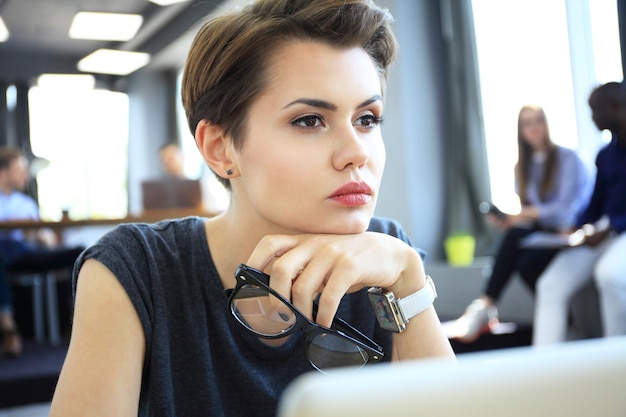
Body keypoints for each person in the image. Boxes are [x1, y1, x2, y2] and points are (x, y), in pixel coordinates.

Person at [48, 1, 455, 416]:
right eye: (310, 120)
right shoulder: (137, 269)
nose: (356, 153)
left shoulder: (387, 258)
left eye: (367, 119)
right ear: (220, 148)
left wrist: (408, 283)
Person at [451, 105, 590, 342]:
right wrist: (512, 220)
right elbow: (534, 217)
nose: (534, 127)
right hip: (546, 235)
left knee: (519, 244)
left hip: (572, 232)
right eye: (527, 123)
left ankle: (485, 304)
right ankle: (566, 324)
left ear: (547, 124)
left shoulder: (568, 158)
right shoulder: (522, 168)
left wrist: (523, 214)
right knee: (524, 258)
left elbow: (565, 210)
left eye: (538, 121)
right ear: (521, 130)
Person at [533, 81, 626, 345]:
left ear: (615, 108)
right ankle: (543, 371)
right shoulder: (606, 155)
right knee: (550, 285)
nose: (592, 117)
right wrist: (575, 229)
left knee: (610, 274)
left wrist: (608, 228)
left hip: (619, 231)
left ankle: (614, 363)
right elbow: (595, 205)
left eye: (595, 110)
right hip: (605, 233)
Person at [0, 147, 84, 357]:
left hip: (26, 250)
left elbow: (43, 235)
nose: (24, 175)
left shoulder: (26, 204)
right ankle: (8, 330)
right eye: (19, 169)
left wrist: (40, 236)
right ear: (4, 171)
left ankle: (79, 321)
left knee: (80, 252)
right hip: (3, 253)